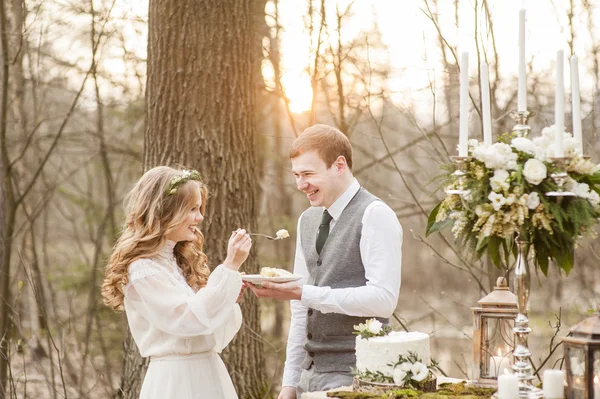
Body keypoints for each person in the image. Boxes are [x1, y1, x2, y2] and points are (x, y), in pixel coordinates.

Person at [248, 124, 403, 398]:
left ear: (339, 165)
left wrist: (305, 293)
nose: (300, 185)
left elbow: (383, 299)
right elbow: (300, 310)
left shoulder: (375, 215)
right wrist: (290, 382)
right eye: (296, 175)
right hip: (308, 378)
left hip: (358, 376)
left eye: (308, 174)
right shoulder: (307, 220)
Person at [102, 166, 251, 399]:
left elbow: (211, 330)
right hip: (176, 381)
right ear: (166, 212)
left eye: (199, 208)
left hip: (209, 373)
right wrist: (230, 266)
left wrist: (226, 297)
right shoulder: (143, 270)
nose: (200, 217)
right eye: (193, 209)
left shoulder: (179, 263)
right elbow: (188, 321)